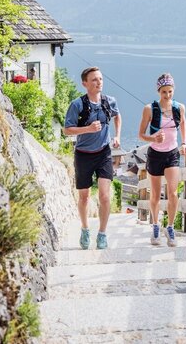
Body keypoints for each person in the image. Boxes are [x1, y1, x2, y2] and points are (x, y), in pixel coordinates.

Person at [63, 67, 121, 250]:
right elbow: (67, 130)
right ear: (85, 84)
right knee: (84, 197)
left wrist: (117, 136)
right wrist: (87, 129)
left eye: (100, 79)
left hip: (104, 153)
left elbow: (117, 116)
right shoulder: (77, 105)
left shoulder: (109, 101)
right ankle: (85, 228)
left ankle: (102, 234)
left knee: (104, 195)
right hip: (83, 155)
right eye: (94, 80)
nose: (99, 82)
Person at [137, 73, 186, 247]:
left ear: (174, 90)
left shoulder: (179, 108)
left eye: (170, 91)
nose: (167, 95)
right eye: (164, 92)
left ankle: (171, 227)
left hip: (172, 153)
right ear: (159, 91)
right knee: (155, 195)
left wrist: (184, 143)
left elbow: (183, 124)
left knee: (173, 193)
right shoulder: (149, 109)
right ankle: (156, 226)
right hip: (155, 154)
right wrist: (153, 139)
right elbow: (141, 134)